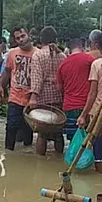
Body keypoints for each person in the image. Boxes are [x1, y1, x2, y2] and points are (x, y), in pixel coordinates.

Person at [77, 33, 102, 174]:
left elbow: (92, 93)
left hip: (98, 113)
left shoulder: (97, 64)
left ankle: (99, 174)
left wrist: (83, 115)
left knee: (98, 148)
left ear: (96, 46)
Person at [29, 26, 67, 156]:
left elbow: (37, 78)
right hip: (59, 97)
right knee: (58, 131)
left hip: (43, 98)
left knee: (42, 133)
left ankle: (40, 163)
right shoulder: (62, 56)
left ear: (41, 39)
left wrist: (33, 98)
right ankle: (58, 159)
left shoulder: (38, 55)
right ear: (55, 39)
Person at [0, 27, 36, 151]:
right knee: (11, 126)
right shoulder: (12, 53)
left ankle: (27, 153)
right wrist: (0, 86)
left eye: (23, 36)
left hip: (31, 98)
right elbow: (7, 71)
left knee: (28, 128)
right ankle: (9, 153)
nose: (21, 40)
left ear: (28, 35)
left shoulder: (38, 54)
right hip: (15, 96)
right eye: (18, 38)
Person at [56, 38, 95, 141]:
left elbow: (60, 88)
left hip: (68, 107)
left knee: (73, 140)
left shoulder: (63, 65)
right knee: (87, 139)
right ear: (82, 47)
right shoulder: (89, 60)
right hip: (86, 106)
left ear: (69, 49)